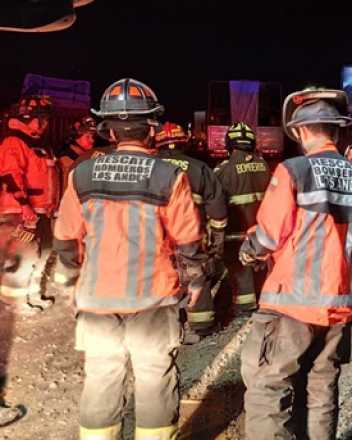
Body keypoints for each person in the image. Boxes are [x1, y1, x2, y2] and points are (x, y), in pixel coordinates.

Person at [52, 78, 205, 440]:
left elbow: (64, 238)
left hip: (97, 299)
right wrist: (196, 283)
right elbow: (187, 241)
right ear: (152, 127)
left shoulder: (82, 174)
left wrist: (71, 282)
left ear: (107, 129)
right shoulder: (170, 176)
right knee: (154, 376)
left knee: (102, 376)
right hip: (153, 299)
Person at [239, 87, 352, 440]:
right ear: (336, 129)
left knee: (268, 387)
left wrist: (249, 250)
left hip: (292, 303)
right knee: (322, 389)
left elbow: (269, 235)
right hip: (339, 306)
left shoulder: (293, 170)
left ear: (300, 131)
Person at [155, 121, 228, 339]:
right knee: (198, 275)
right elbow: (217, 208)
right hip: (190, 235)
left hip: (154, 236)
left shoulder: (147, 165)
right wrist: (216, 240)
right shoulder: (199, 168)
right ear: (183, 142)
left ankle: (162, 325)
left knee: (158, 276)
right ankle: (201, 326)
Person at [0, 95, 58, 313]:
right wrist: (24, 205)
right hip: (19, 212)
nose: (44, 124)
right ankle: (14, 301)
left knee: (41, 253)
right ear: (27, 117)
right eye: (41, 119)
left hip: (41, 211)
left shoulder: (38, 145)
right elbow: (10, 175)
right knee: (21, 256)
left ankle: (32, 293)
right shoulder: (14, 142)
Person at [213, 122, 270, 314]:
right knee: (261, 266)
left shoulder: (223, 170)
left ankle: (244, 305)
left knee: (239, 268)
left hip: (236, 232)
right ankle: (264, 300)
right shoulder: (264, 166)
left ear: (229, 144)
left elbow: (216, 204)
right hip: (261, 231)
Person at [56, 116, 106, 188]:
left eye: (93, 137)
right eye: (87, 137)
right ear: (75, 136)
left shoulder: (87, 158)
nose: (92, 140)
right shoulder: (67, 162)